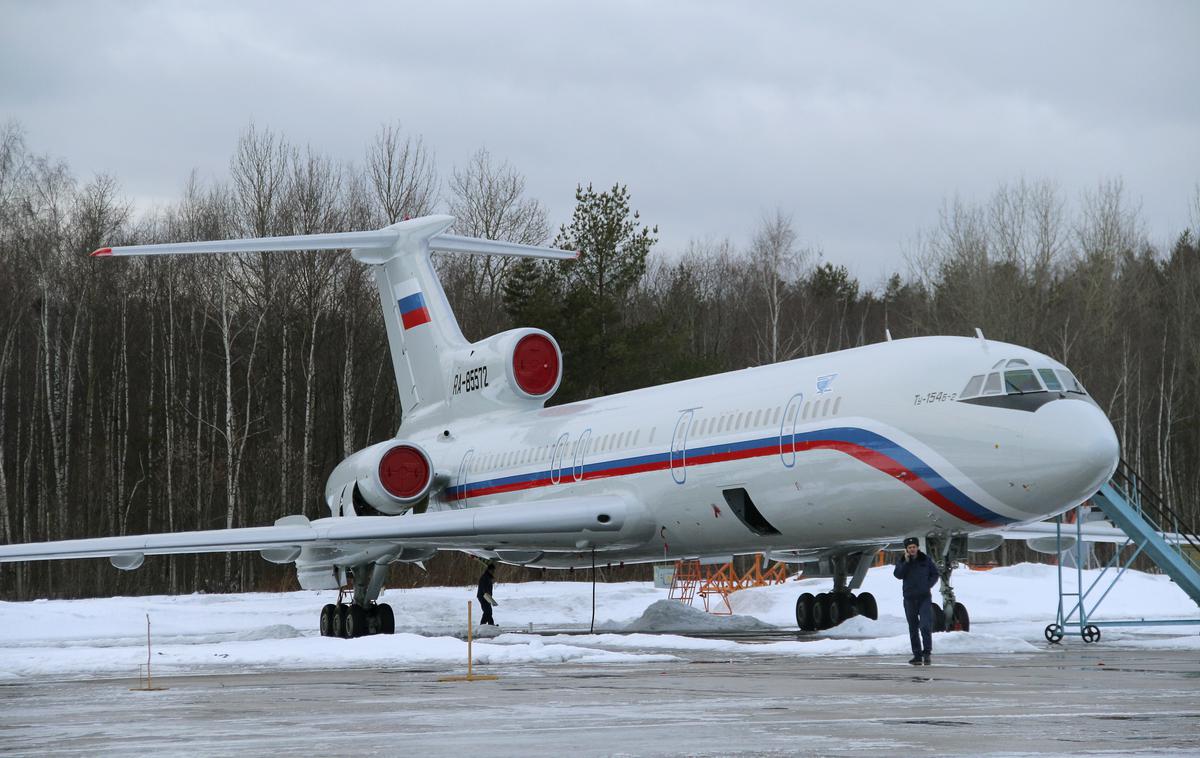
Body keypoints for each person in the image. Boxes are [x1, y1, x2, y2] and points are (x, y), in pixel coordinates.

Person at [893, 536, 939, 665]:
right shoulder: (903, 561)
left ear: (917, 547)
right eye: (909, 548)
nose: (912, 549)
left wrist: (927, 585)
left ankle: (927, 652)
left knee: (925, 626)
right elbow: (898, 575)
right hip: (909, 599)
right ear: (906, 549)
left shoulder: (925, 560)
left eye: (914, 547)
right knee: (913, 627)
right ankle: (917, 655)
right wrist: (906, 562)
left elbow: (935, 574)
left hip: (924, 597)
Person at [477, 559, 499, 626]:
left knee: (488, 612)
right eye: (492, 570)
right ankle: (487, 625)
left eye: (493, 571)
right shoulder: (485, 577)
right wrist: (488, 597)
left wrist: (490, 598)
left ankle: (489, 625)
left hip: (487, 597)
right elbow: (484, 588)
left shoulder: (488, 577)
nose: (493, 572)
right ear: (489, 570)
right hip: (483, 596)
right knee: (487, 612)